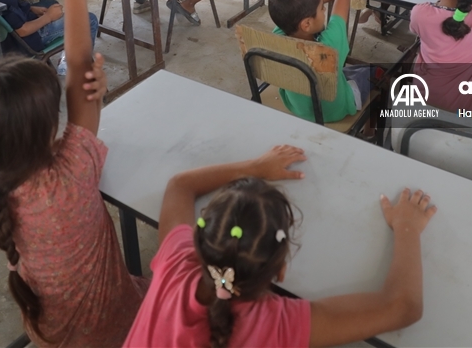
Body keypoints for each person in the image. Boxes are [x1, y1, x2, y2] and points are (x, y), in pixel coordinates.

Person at [0, 0, 146, 347]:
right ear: (48, 127)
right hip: (113, 328)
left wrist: (86, 94)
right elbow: (80, 65)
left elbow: (79, 75)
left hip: (46, 327)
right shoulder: (70, 175)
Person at [124, 145, 436, 347]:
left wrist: (254, 166)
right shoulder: (275, 324)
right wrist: (407, 226)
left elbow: (181, 184)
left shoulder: (176, 263)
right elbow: (403, 307)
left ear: (199, 239)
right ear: (282, 270)